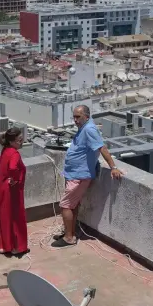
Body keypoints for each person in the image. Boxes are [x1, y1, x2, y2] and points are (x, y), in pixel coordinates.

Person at [51, 105, 123, 248]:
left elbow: (101, 148)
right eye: (74, 117)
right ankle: (70, 231)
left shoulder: (89, 129)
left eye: (78, 117)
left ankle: (69, 238)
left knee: (65, 205)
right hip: (74, 173)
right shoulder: (85, 127)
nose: (75, 120)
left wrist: (113, 167)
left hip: (79, 175)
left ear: (87, 116)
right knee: (73, 204)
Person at [0, 128, 28, 255]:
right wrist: (15, 179)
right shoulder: (14, 153)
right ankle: (17, 247)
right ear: (12, 141)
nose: (22, 143)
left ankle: (5, 246)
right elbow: (13, 167)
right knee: (16, 217)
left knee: (5, 216)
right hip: (12, 190)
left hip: (3, 187)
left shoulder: (5, 151)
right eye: (19, 140)